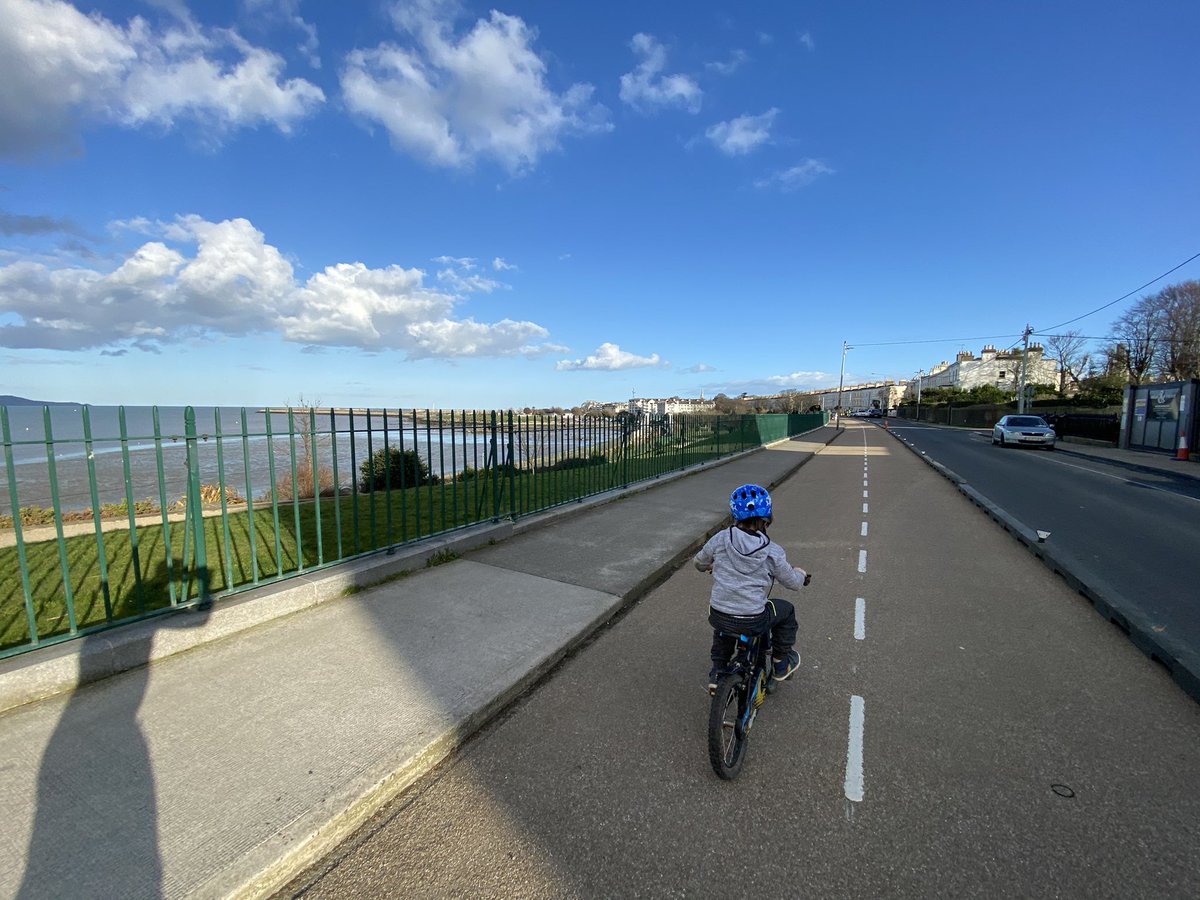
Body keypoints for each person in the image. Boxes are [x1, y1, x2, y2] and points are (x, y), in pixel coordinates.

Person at [694, 483, 811, 694]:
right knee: (786, 611)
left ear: (734, 515)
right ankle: (780, 662)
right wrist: (801, 575)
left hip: (718, 614)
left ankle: (718, 671)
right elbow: (793, 583)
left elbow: (699, 562)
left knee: (724, 627)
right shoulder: (772, 551)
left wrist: (711, 565)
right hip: (753, 619)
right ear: (766, 519)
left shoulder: (720, 539)